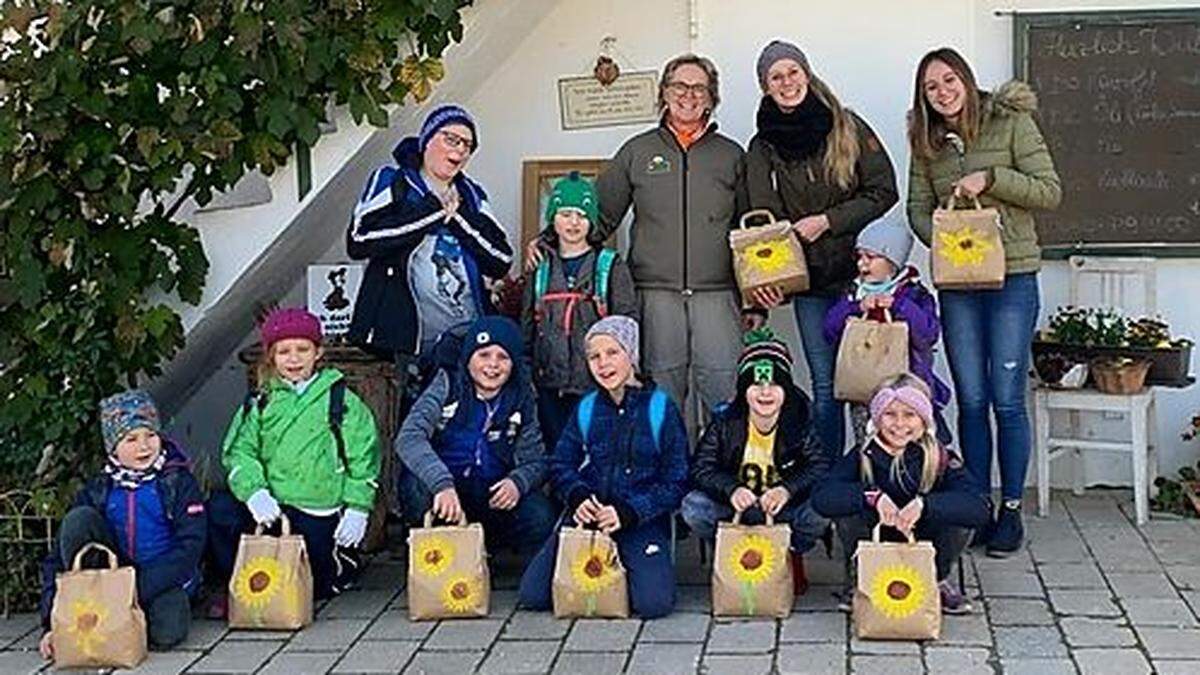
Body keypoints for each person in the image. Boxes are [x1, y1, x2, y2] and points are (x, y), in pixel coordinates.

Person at [528, 54, 747, 429]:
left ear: (712, 97)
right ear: (664, 92)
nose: (689, 95)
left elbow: (748, 230)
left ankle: (720, 482)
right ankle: (672, 481)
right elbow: (600, 215)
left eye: (699, 88)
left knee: (723, 393)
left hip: (717, 293)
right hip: (654, 295)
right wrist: (549, 241)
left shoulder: (731, 155)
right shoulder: (637, 151)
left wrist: (754, 296)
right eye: (679, 86)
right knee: (661, 396)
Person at [906, 47, 1061, 556]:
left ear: (966, 81)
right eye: (931, 87)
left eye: (949, 80)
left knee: (1006, 398)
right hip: (959, 286)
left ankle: (1011, 510)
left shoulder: (1011, 122)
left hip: (1012, 278)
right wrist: (949, 234)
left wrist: (990, 180)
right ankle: (977, 506)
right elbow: (917, 208)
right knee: (971, 399)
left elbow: (1048, 191)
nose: (942, 92)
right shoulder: (925, 141)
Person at [744, 39, 899, 460]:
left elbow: (884, 190)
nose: (787, 81)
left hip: (861, 277)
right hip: (810, 285)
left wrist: (828, 221)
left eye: (793, 71)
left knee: (870, 382)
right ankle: (828, 480)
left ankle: (876, 475)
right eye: (776, 76)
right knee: (826, 385)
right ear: (765, 86)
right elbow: (763, 221)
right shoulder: (762, 147)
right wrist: (772, 280)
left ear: (807, 74)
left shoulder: (846, 125)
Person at [518, 315, 689, 618]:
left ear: (631, 356)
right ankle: (611, 571)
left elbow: (676, 479)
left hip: (638, 517)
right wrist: (578, 495)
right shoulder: (586, 407)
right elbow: (561, 463)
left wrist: (630, 511)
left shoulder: (660, 407)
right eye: (594, 356)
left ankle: (625, 566)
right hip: (589, 515)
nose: (603, 364)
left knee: (654, 604)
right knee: (532, 595)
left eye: (613, 353)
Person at [209, 307, 380, 608]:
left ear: (318, 352)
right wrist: (254, 493)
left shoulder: (341, 400)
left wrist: (358, 507)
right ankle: (235, 583)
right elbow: (239, 451)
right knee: (219, 512)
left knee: (317, 586)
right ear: (271, 357)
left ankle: (337, 568)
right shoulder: (261, 401)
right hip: (270, 507)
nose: (294, 359)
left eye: (303, 349)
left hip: (318, 508)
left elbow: (364, 456)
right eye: (284, 351)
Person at [346, 104, 513, 407]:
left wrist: (459, 219)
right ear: (427, 140)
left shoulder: (472, 195)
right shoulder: (392, 181)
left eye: (468, 145)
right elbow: (360, 240)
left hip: (466, 342)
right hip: (404, 342)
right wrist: (432, 211)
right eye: (452, 139)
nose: (460, 150)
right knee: (406, 428)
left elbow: (500, 259)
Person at [38, 390, 206, 657]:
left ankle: (123, 621)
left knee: (168, 633)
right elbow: (56, 558)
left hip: (160, 579)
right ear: (112, 446)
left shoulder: (177, 481)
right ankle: (97, 610)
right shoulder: (99, 488)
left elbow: (191, 544)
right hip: (112, 578)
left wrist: (136, 588)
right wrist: (52, 622)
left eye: (151, 436)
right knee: (79, 520)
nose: (144, 446)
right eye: (131, 439)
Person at [812, 374, 989, 614]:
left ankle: (937, 578)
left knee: (960, 516)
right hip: (875, 537)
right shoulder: (864, 455)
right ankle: (859, 578)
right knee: (845, 507)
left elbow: (979, 507)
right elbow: (823, 497)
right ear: (876, 418)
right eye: (890, 414)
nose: (899, 424)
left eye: (909, 415)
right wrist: (871, 497)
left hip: (924, 539)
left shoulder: (939, 457)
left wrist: (925, 505)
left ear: (924, 420)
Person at [681, 328, 829, 596]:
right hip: (738, 508)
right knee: (694, 506)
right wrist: (731, 489)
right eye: (756, 385)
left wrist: (787, 489)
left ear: (786, 390)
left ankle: (790, 550)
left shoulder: (800, 419)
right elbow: (701, 467)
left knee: (822, 508)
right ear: (742, 390)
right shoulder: (726, 421)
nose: (765, 393)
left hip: (782, 510)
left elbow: (819, 466)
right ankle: (727, 548)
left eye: (774, 385)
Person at [396, 315, 555, 553]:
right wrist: (441, 484)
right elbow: (409, 437)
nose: (492, 365)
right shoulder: (447, 385)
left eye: (503, 357)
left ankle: (489, 552)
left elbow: (536, 459)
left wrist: (517, 482)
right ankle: (428, 550)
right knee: (416, 487)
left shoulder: (521, 397)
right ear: (468, 358)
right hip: (446, 491)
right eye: (483, 355)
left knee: (540, 515)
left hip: (491, 494)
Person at [521, 172, 638, 450]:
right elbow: (526, 326)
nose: (574, 222)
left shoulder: (610, 265)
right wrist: (525, 376)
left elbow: (627, 324)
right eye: (565, 213)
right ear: (553, 218)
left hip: (597, 384)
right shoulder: (540, 267)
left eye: (582, 215)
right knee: (556, 455)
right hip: (549, 385)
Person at [823, 216, 952, 447]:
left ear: (893, 261)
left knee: (913, 443)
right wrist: (856, 308)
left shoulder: (914, 293)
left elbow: (928, 334)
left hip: (908, 386)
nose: (863, 265)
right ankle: (873, 481)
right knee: (870, 444)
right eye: (859, 257)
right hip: (864, 391)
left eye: (871, 257)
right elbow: (829, 331)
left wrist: (899, 306)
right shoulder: (853, 293)